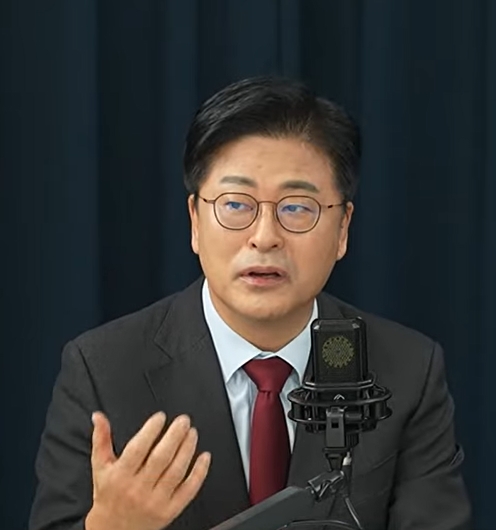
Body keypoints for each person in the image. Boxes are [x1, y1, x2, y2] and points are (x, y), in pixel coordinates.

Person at [29, 76, 472, 530]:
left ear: (343, 229)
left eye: (296, 207)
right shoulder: (102, 370)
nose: (264, 237)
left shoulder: (407, 370)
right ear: (195, 221)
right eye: (236, 205)